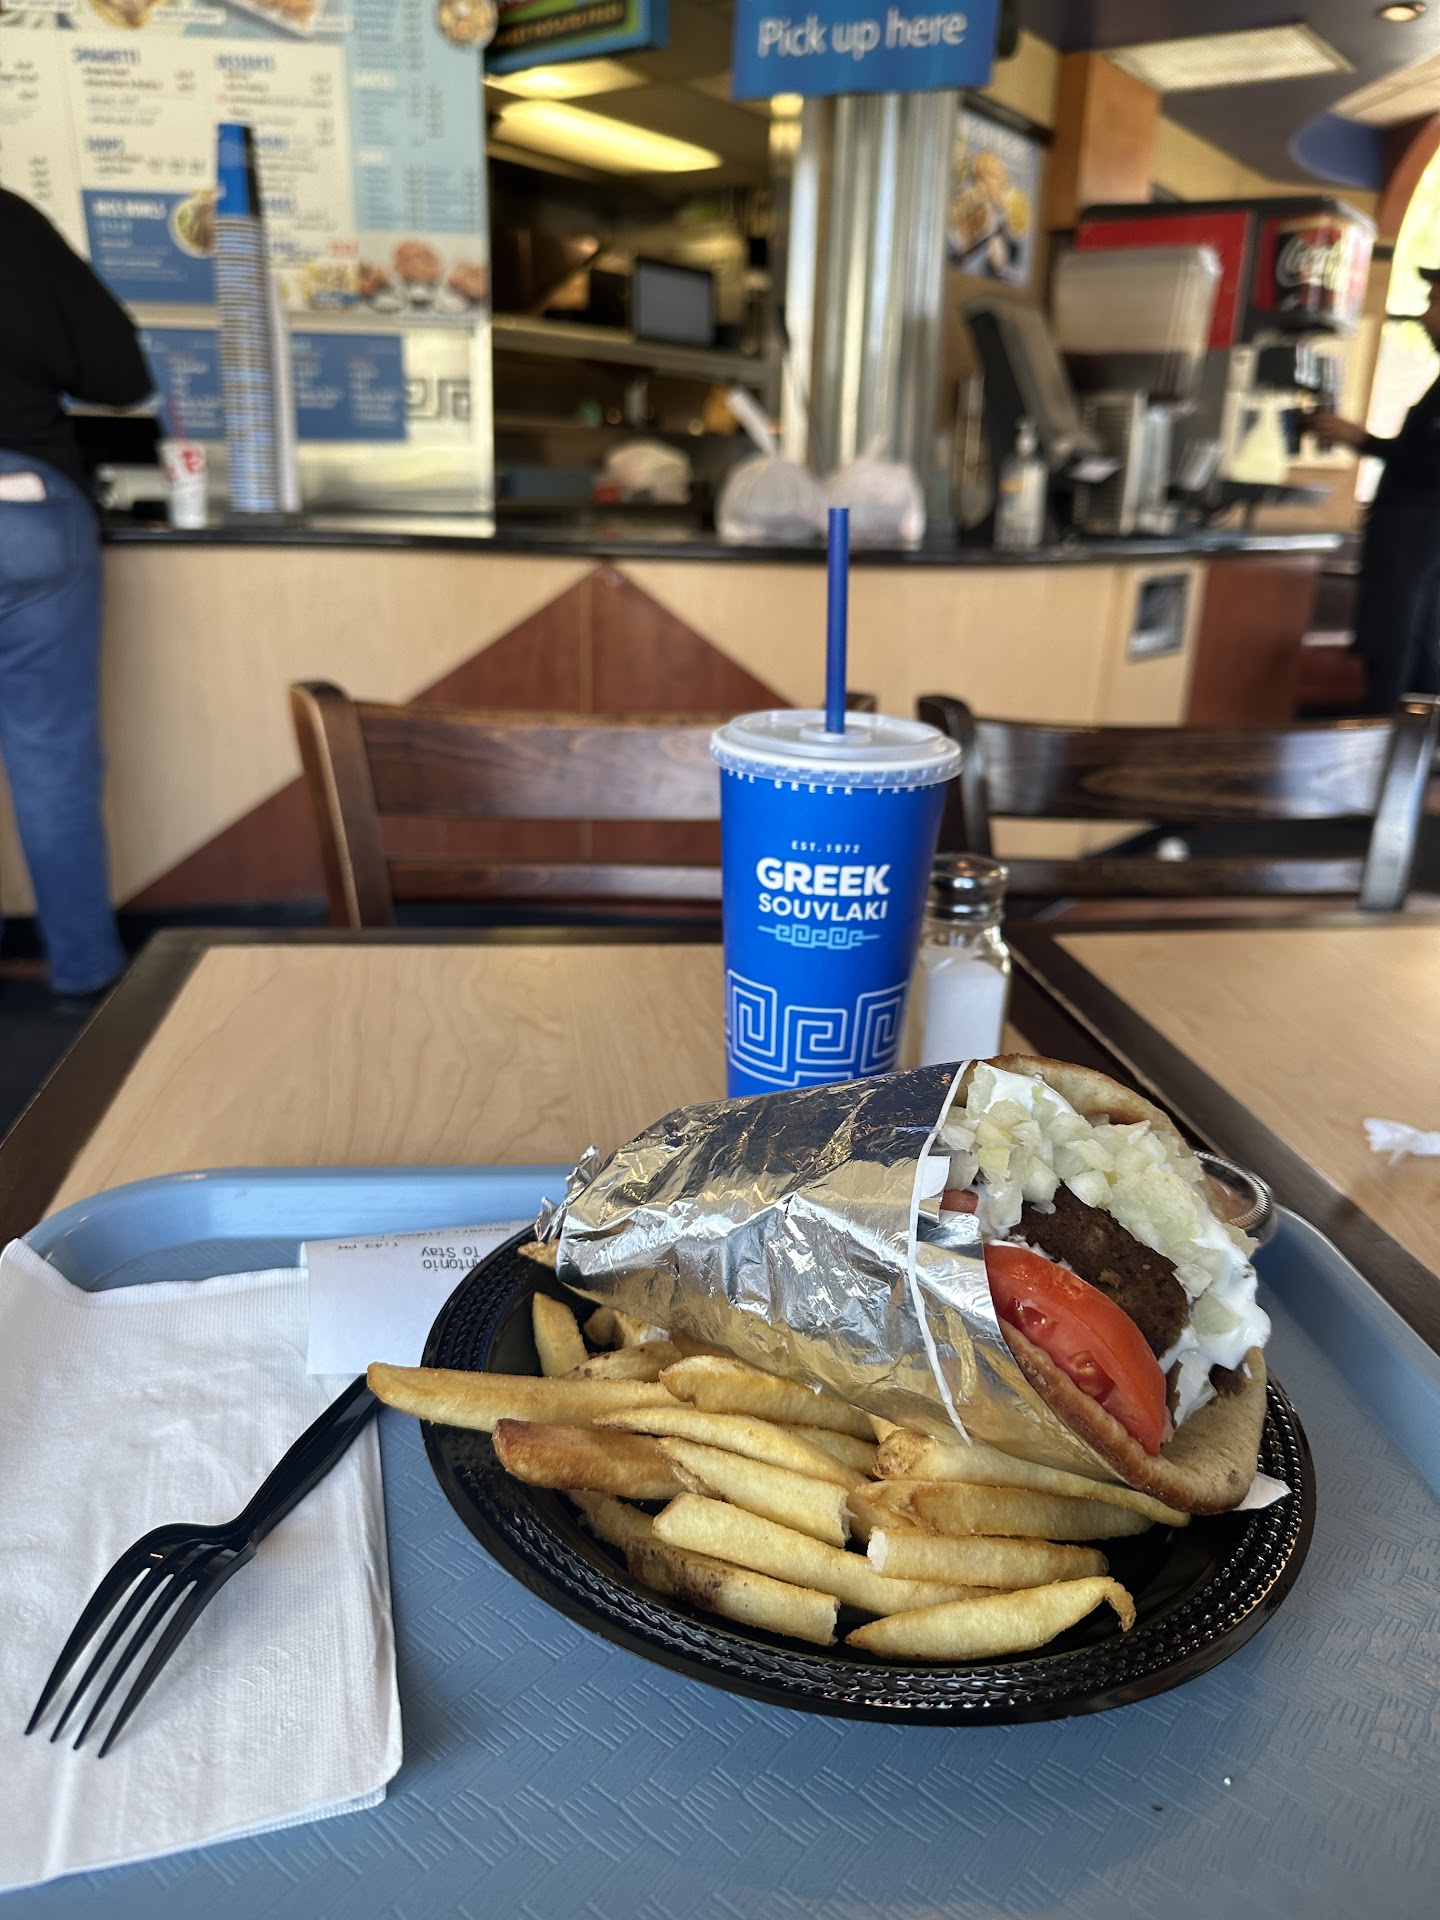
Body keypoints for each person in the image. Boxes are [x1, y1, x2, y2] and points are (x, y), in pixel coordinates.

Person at [0, 186, 152, 999]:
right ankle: (87, 981)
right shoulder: (10, 222)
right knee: (50, 755)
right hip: (21, 504)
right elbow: (120, 373)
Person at [1313, 265, 1440, 715]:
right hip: (1414, 530)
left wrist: (1362, 440)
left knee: (1397, 636)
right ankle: (1405, 740)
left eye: (1434, 303)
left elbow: (1432, 464)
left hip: (1418, 529)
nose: (1424, 315)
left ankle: (1384, 739)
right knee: (1415, 638)